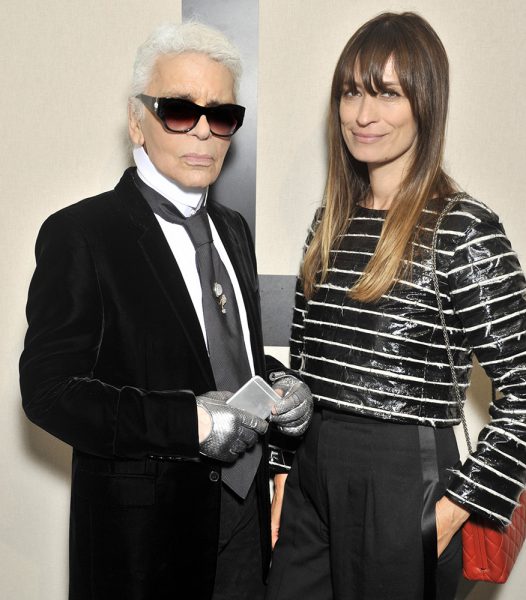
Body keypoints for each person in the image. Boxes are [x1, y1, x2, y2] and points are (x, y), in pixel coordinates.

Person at [19, 21, 312, 600]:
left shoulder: (233, 230)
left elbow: (229, 357)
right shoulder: (82, 233)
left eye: (222, 115)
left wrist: (282, 386)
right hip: (141, 548)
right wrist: (192, 424)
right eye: (180, 110)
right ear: (137, 121)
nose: (203, 131)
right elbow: (49, 392)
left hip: (243, 528)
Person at [266, 11, 526, 600]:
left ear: (425, 105)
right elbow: (302, 367)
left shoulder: (463, 226)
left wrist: (460, 507)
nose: (362, 114)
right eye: (352, 91)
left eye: (387, 94)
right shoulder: (329, 220)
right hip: (311, 472)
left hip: (402, 479)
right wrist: (284, 470)